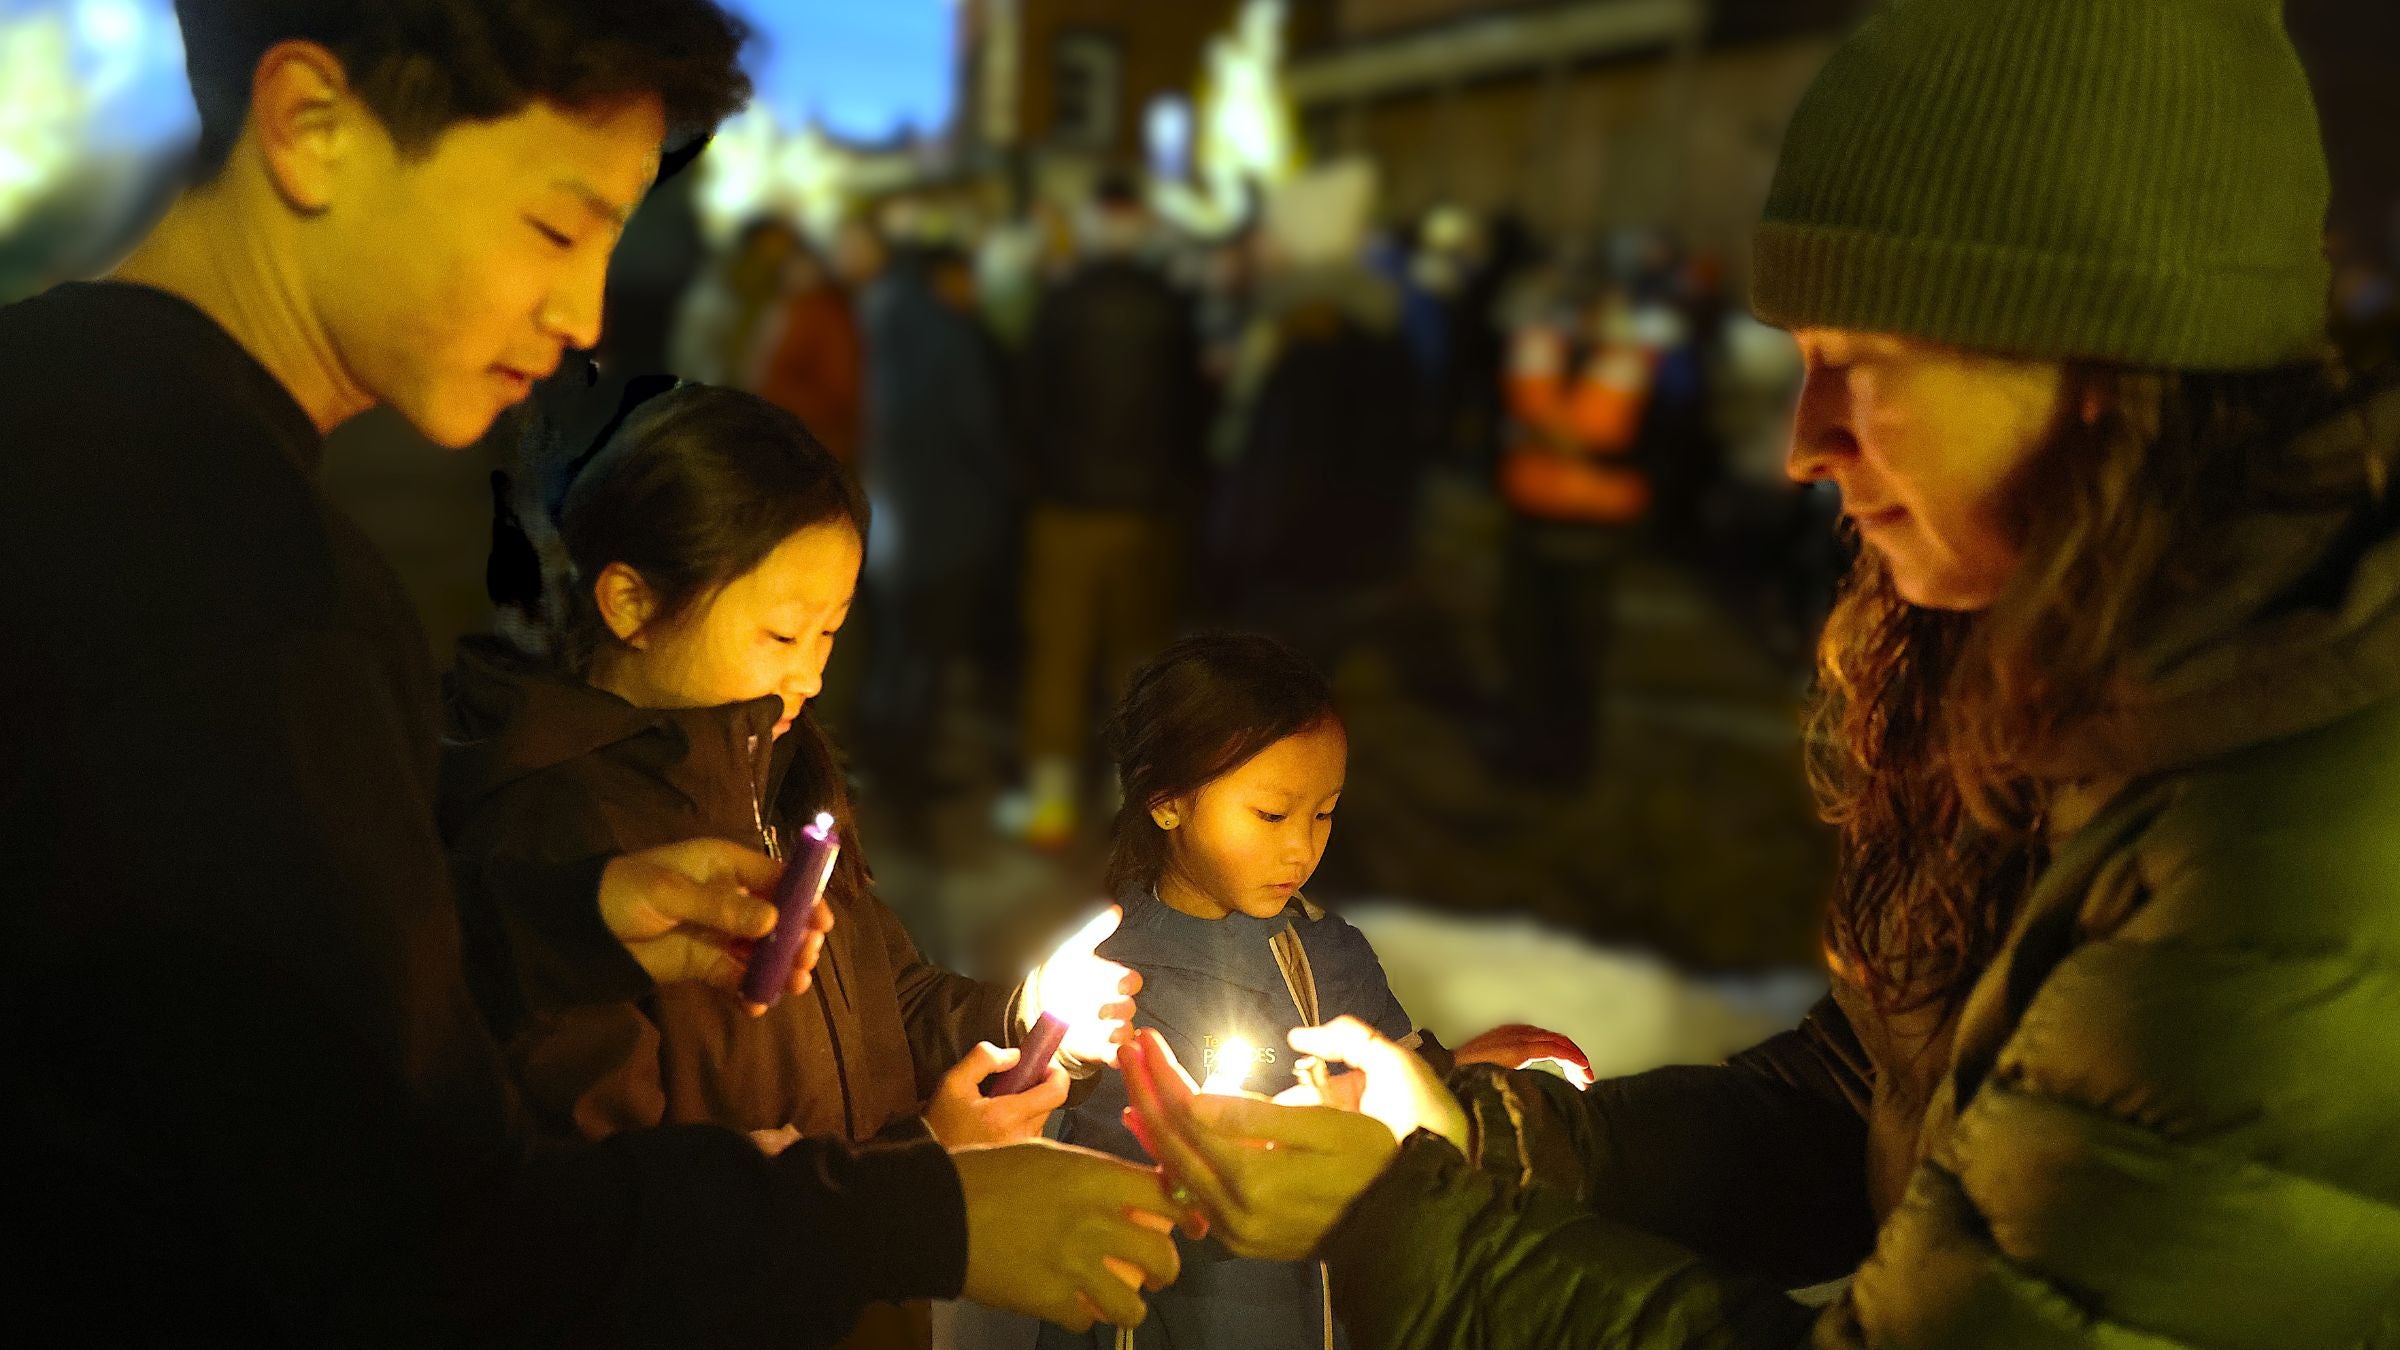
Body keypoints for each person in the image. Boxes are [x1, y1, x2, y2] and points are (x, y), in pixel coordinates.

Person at [1115, 0, 2400, 1343]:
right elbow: (1872, 1099)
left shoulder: (2287, 859)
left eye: (1858, 362)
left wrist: (1409, 1216)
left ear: (2098, 361)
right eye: (1800, 362)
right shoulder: (2097, 672)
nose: (1804, 441)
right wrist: (1490, 1140)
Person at [0, 4, 1180, 1341]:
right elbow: (404, 1234)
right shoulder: (238, 582)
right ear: (312, 129)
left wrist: (555, 926)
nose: (582, 315)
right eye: (557, 226)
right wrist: (929, 1213)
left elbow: (211, 1019)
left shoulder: (60, 421)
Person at [449, 380, 1152, 1349]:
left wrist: (1023, 1016)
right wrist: (919, 1174)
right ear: (630, 603)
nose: (812, 673)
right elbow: (621, 1219)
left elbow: (888, 1000)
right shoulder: (557, 838)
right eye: (782, 633)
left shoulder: (778, 779)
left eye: (830, 632)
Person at [1045, 632, 1589, 1350]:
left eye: (1324, 812)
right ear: (1168, 802)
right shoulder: (1100, 984)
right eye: (1271, 816)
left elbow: (1401, 1109)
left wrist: (1460, 1075)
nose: (1302, 848)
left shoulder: (1333, 958)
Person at [1001, 172, 1210, 850]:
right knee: (1136, 656)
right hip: (1148, 512)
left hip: (1067, 508)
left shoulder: (1061, 303)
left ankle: (1052, 803)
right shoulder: (1170, 306)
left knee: (1057, 655)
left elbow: (1028, 406)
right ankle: (1130, 800)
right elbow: (1192, 413)